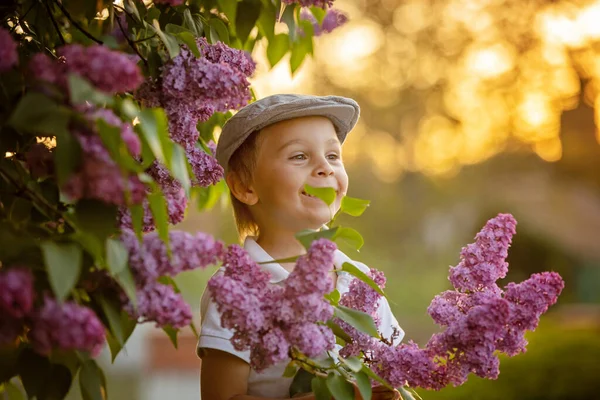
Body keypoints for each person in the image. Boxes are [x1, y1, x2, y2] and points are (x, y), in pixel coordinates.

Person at [197, 94, 403, 400]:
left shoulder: (360, 281)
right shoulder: (235, 289)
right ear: (244, 186)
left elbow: (392, 375)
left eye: (333, 156)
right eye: (299, 156)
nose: (325, 168)